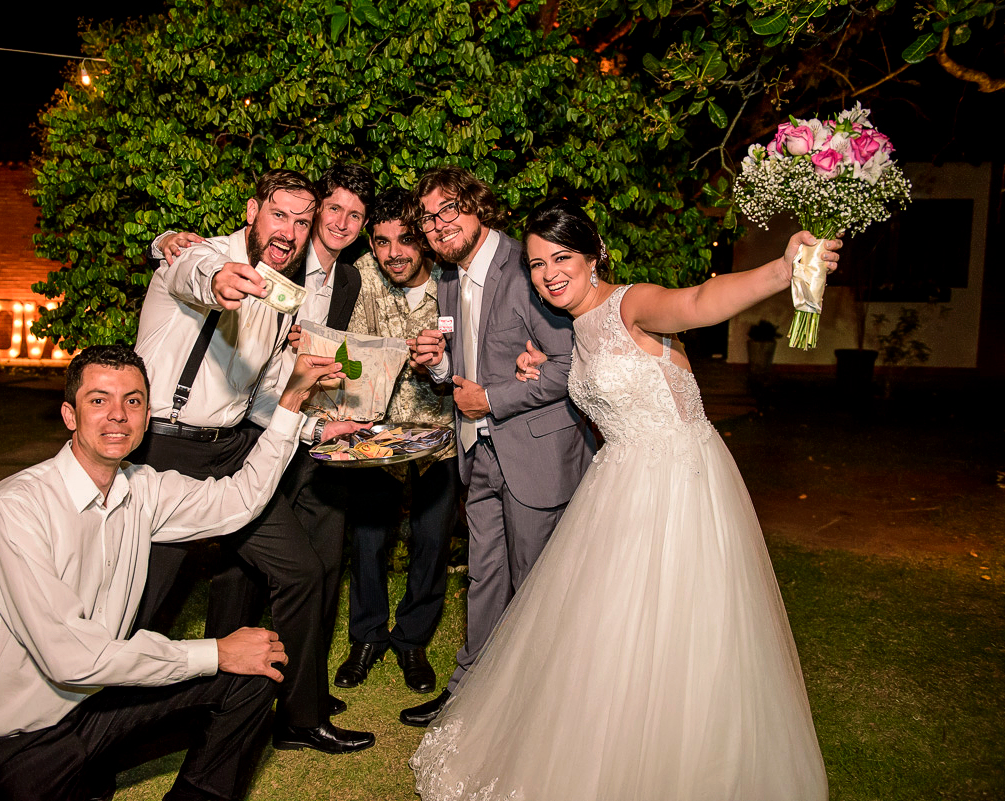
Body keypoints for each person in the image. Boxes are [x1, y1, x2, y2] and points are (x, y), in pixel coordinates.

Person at [410, 200, 838, 800]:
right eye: (535, 264)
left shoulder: (631, 302)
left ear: (593, 256)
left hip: (679, 481)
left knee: (680, 628)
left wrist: (781, 269)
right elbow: (580, 389)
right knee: (603, 631)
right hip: (617, 483)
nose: (548, 274)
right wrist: (532, 368)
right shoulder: (575, 329)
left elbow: (697, 303)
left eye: (562, 258)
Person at [0, 344, 345, 801]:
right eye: (98, 400)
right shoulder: (17, 508)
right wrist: (214, 651)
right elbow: (71, 660)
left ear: (146, 415)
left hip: (101, 703)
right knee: (228, 658)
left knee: (256, 670)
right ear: (69, 415)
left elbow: (240, 500)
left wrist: (291, 402)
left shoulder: (144, 488)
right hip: (21, 741)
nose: (118, 414)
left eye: (133, 400)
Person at [130, 168, 373, 754]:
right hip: (165, 450)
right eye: (278, 214)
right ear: (251, 210)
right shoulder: (201, 256)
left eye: (300, 218)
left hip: (232, 450)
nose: (289, 230)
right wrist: (215, 277)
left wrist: (317, 424)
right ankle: (107, 736)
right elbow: (190, 272)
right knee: (145, 604)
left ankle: (297, 718)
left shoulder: (282, 292)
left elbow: (263, 393)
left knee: (303, 571)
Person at [401, 168, 596, 727]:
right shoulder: (446, 277)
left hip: (536, 452)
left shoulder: (529, 267)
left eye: (451, 210)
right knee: (484, 574)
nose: (440, 226)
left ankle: (540, 707)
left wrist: (493, 398)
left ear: (479, 206)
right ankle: (471, 693)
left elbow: (571, 364)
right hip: (479, 451)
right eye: (429, 219)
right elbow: (462, 373)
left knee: (537, 580)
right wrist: (438, 363)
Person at [332, 188, 459, 697]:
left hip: (442, 437)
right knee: (367, 540)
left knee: (431, 542)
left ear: (424, 240)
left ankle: (412, 639)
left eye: (405, 239)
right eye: (381, 241)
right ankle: (365, 636)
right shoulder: (362, 274)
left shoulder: (451, 285)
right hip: (377, 436)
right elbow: (356, 353)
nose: (393, 253)